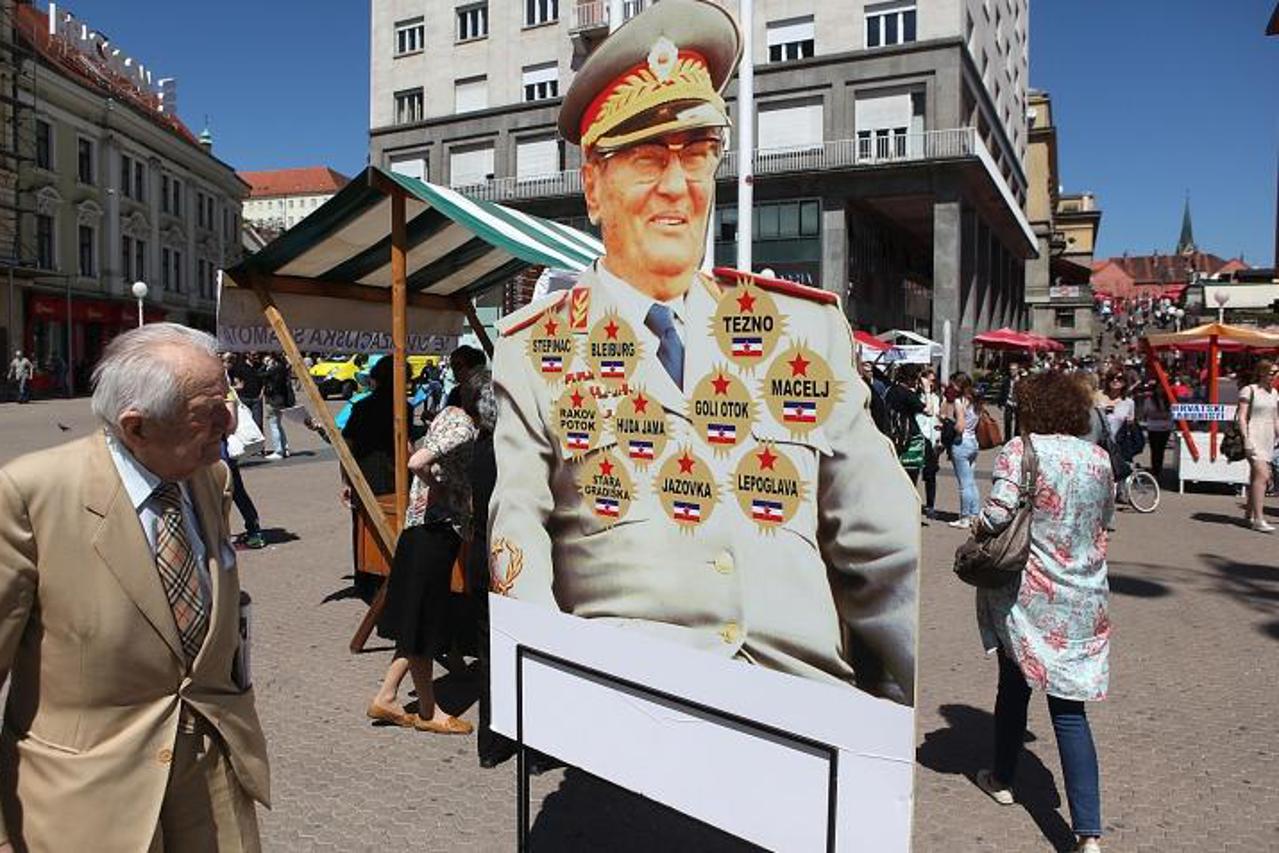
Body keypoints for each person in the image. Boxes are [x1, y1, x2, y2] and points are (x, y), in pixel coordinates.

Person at [488, 0, 918, 702]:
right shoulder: (537, 351)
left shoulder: (800, 333)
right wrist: (557, 707)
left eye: (695, 154)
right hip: (628, 716)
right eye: (646, 158)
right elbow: (518, 545)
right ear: (593, 186)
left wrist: (896, 722)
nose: (676, 186)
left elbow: (888, 548)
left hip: (803, 716)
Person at [0, 323, 270, 850]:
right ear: (137, 426)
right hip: (87, 801)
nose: (231, 423)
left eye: (227, 400)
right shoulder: (30, 494)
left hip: (211, 786)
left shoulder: (209, 478)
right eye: (208, 411)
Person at [972, 370, 1114, 853]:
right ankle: (1088, 833)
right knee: (1069, 711)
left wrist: (975, 526)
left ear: (1030, 409)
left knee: (1014, 686)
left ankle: (1002, 778)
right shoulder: (1098, 458)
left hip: (1029, 597)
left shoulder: (1021, 450)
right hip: (1085, 598)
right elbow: (1105, 521)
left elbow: (997, 514)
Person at [366, 369, 488, 735]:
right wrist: (442, 490)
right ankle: (429, 711)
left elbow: (416, 449)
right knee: (424, 623)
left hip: (419, 530)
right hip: (435, 531)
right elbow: (416, 461)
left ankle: (388, 696)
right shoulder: (463, 429)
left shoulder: (448, 414)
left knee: (416, 618)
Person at [1237, 359, 1278, 533]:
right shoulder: (1249, 390)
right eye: (1272, 373)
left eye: (1277, 373)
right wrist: (1246, 438)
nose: (1275, 376)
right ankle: (1259, 519)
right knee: (1263, 474)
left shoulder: (1274, 393)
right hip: (1253, 435)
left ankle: (1249, 513)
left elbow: (1275, 417)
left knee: (1256, 475)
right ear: (1262, 372)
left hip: (1268, 437)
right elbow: (1242, 416)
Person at [941, 372, 982, 529]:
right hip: (973, 442)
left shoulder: (960, 402)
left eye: (953, 384)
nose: (952, 386)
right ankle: (974, 514)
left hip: (961, 442)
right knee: (971, 481)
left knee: (964, 484)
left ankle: (964, 517)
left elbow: (960, 426)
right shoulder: (976, 401)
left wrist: (947, 422)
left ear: (959, 384)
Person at [261, 353, 293, 460]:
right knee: (278, 424)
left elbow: (260, 374)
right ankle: (285, 448)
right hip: (282, 398)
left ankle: (278, 451)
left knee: (274, 424)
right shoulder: (283, 368)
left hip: (273, 399)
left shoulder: (273, 370)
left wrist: (265, 366)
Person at [1001, 362, 1023, 440]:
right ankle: (1007, 439)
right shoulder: (1007, 380)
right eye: (1011, 370)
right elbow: (1003, 391)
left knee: (1018, 422)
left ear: (1017, 370)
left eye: (1014, 370)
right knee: (1007, 420)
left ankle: (1016, 438)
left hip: (1018, 403)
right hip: (1009, 402)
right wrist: (1001, 403)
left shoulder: (1022, 380)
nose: (1012, 371)